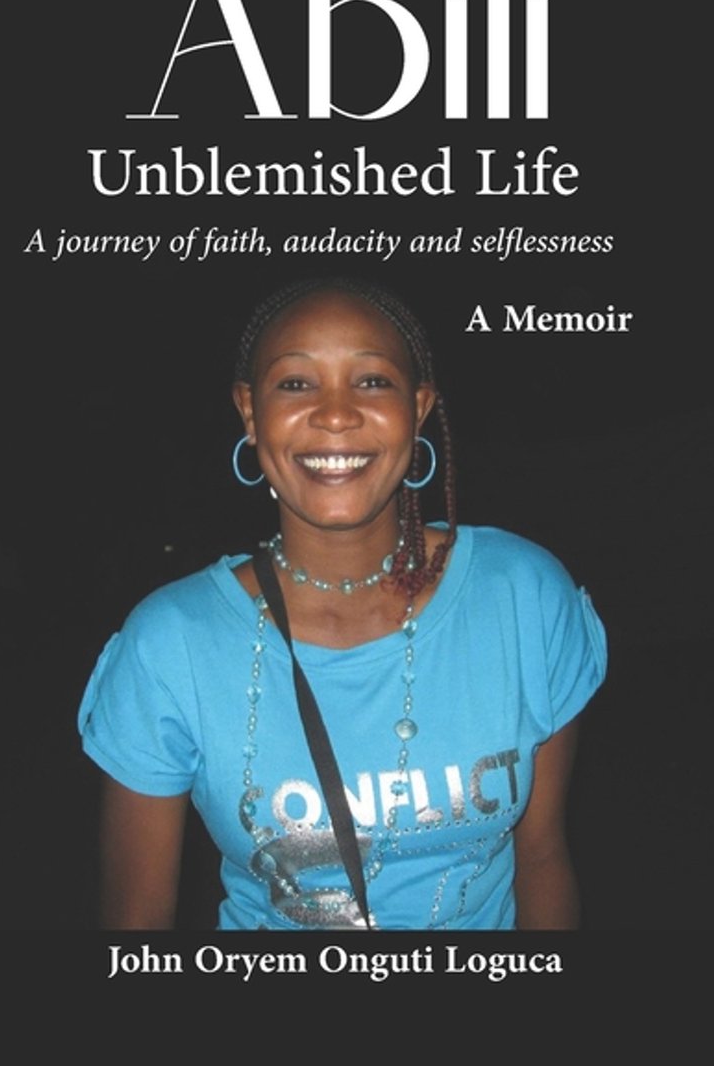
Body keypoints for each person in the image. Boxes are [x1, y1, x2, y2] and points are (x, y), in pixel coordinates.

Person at [78, 275, 607, 930]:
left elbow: (543, 857)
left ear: (418, 408)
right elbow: (134, 922)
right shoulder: (169, 643)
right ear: (250, 411)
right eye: (296, 383)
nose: (335, 414)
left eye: (372, 381)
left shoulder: (522, 595)